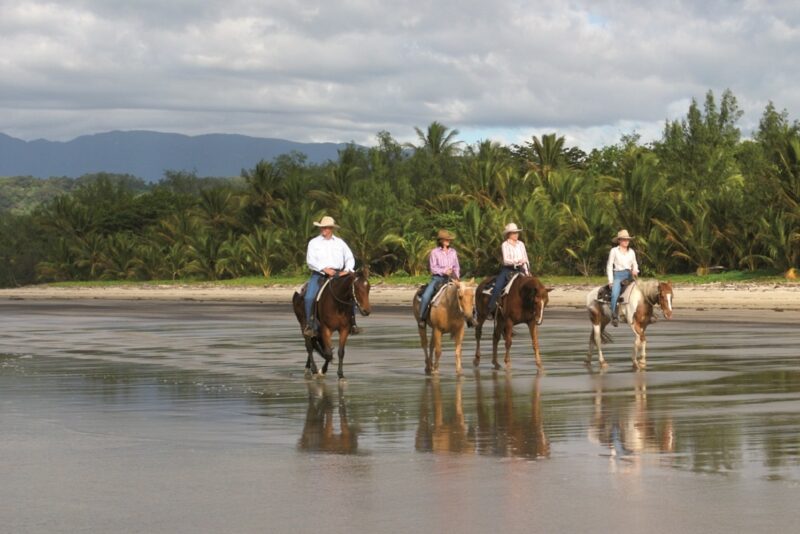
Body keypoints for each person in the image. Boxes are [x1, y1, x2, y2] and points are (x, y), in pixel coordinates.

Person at [303, 215, 358, 337]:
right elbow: (310, 261)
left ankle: (353, 323)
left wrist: (347, 270)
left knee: (352, 294)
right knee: (309, 297)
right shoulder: (314, 243)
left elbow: (349, 258)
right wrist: (324, 269)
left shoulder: (340, 243)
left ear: (331, 229)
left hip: (339, 274)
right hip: (319, 274)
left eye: (326, 228)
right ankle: (310, 324)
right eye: (322, 227)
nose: (324, 230)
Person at [417, 229, 461, 328]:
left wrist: (457, 277)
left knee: (465, 293)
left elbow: (456, 266)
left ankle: (470, 316)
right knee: (426, 296)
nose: (448, 241)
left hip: (452, 278)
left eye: (449, 240)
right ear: (441, 240)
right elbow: (433, 268)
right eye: (446, 239)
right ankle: (422, 318)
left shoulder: (453, 252)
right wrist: (444, 271)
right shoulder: (434, 252)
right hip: (438, 278)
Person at [487, 222, 530, 318]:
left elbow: (525, 258)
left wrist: (527, 272)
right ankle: (491, 308)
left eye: (517, 233)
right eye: (514, 233)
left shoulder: (521, 244)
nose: (516, 234)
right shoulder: (505, 245)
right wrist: (517, 261)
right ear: (508, 234)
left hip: (521, 269)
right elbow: (506, 261)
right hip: (508, 269)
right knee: (498, 286)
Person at [606, 229, 639, 327]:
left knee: (642, 291)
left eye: (627, 240)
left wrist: (635, 270)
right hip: (618, 275)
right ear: (619, 240)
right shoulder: (614, 251)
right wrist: (611, 281)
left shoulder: (632, 252)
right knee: (615, 294)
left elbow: (635, 263)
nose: (626, 241)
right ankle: (614, 315)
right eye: (624, 240)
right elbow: (609, 265)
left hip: (629, 275)